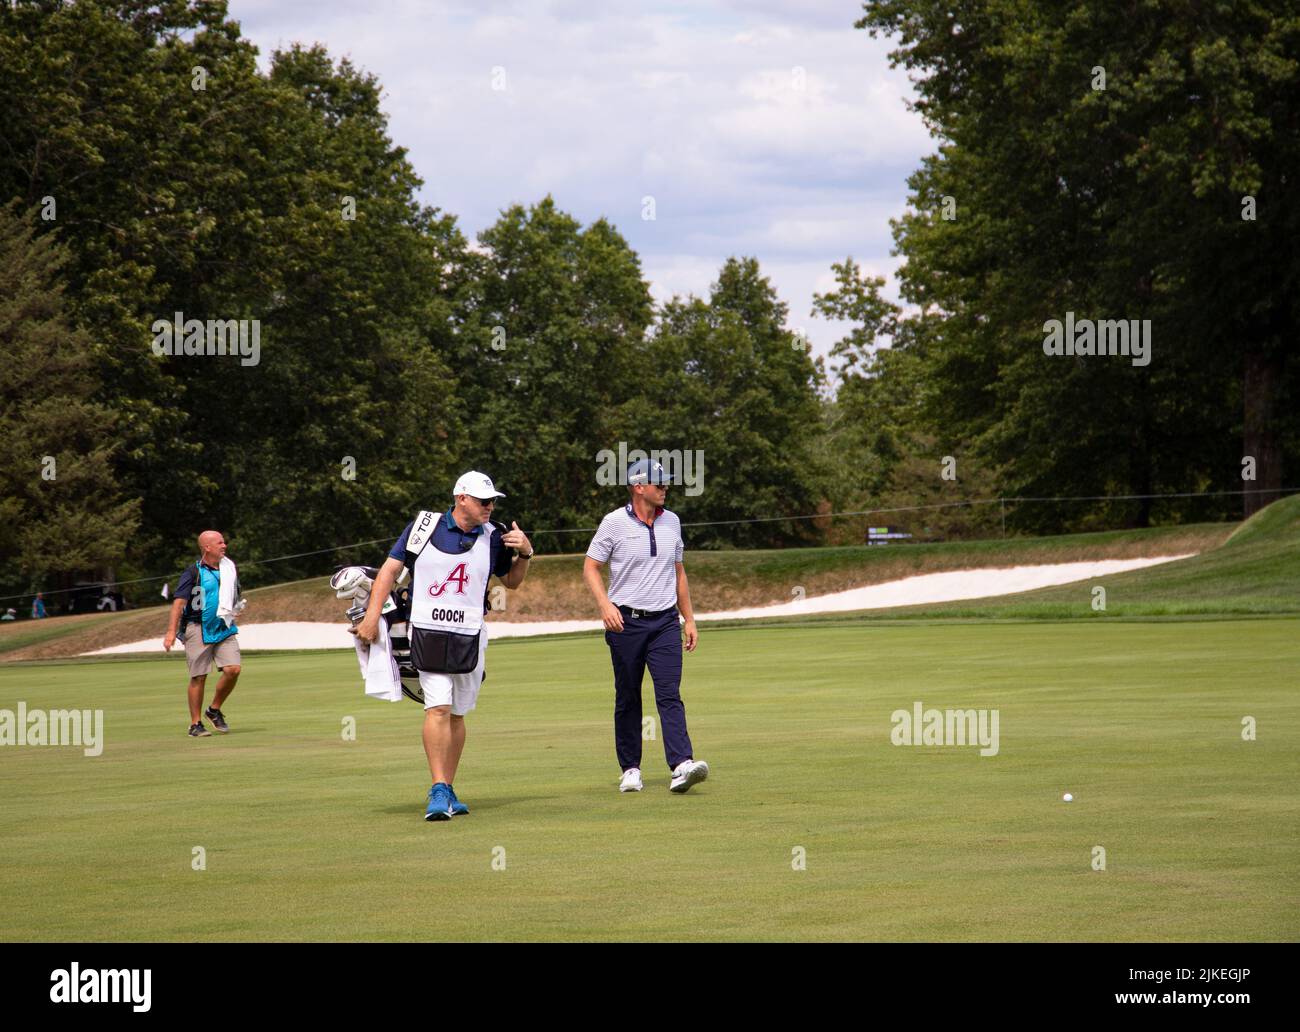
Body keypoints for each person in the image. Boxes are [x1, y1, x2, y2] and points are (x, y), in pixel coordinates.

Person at [356, 471, 533, 821]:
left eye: (493, 501)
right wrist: (371, 616)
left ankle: (448, 788)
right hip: (428, 630)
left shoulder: (495, 534)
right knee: (437, 706)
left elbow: (510, 582)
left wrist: (526, 553)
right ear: (461, 498)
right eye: (484, 501)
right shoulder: (424, 526)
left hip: (470, 632)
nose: (490, 506)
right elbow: (389, 571)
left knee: (457, 713)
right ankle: (437, 788)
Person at [583, 458, 709, 794]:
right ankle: (630, 768)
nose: (665, 488)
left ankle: (681, 764)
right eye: (659, 483)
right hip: (626, 623)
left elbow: (678, 572)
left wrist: (689, 618)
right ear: (639, 487)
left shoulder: (673, 522)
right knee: (627, 696)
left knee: (669, 694)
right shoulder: (613, 523)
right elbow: (591, 567)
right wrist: (605, 605)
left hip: (666, 622)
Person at [163, 531, 242, 737]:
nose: (224, 545)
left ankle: (213, 710)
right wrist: (171, 631)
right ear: (207, 547)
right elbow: (179, 603)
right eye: (220, 543)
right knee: (199, 676)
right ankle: (195, 724)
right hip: (197, 628)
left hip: (224, 626)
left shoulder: (229, 569)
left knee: (233, 669)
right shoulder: (192, 572)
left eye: (224, 541)